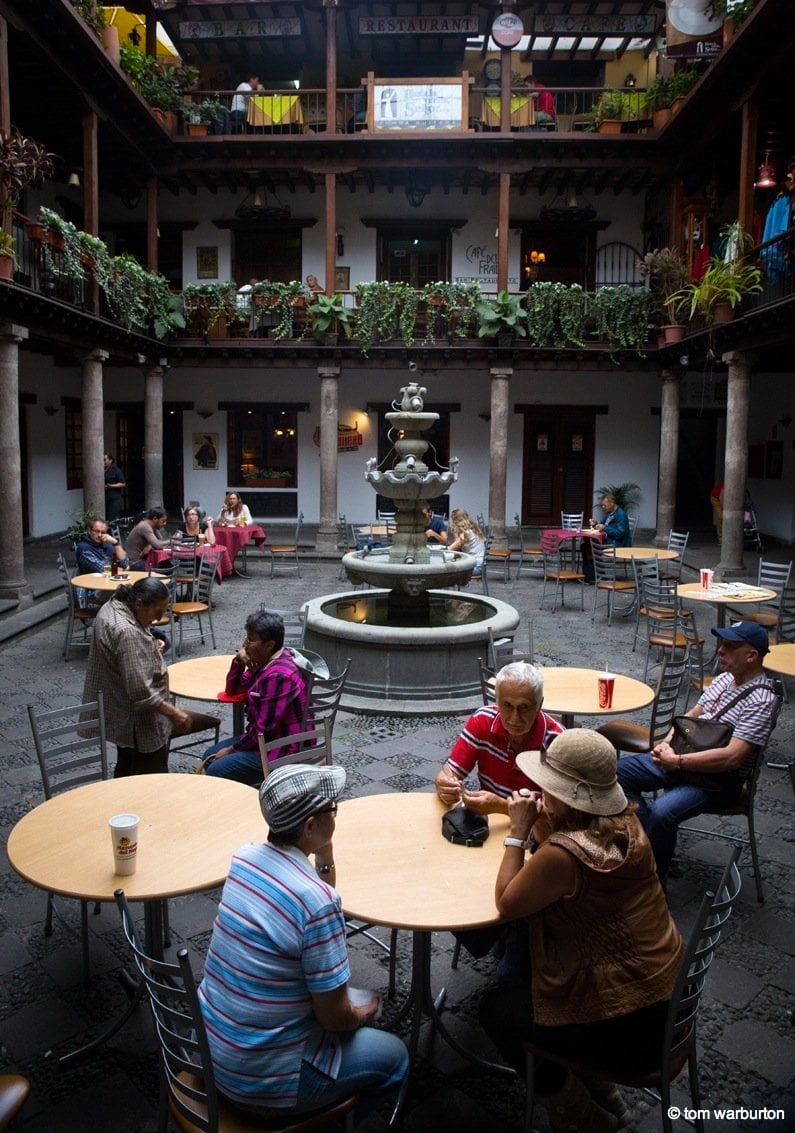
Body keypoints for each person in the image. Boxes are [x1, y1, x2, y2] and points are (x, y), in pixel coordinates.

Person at [478, 730, 683, 1132]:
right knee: (527, 972)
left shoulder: (564, 855)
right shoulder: (629, 823)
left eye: (546, 787)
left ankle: (583, 1117)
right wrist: (541, 822)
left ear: (566, 796)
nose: (538, 790)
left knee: (498, 1011)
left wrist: (518, 831)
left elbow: (508, 902)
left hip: (630, 1026)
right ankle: (604, 1095)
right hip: (666, 996)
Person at [198, 763, 408, 1121]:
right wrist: (366, 1012)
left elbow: (320, 890)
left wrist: (323, 851)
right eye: (333, 809)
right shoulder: (316, 903)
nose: (337, 815)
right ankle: (321, 1122)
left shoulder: (244, 859)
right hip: (265, 1082)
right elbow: (334, 1018)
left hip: (213, 1052)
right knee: (397, 1056)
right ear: (310, 826)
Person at [616, 620, 779, 884]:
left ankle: (652, 884)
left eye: (730, 646)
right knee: (616, 774)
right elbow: (690, 717)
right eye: (721, 643)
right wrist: (667, 744)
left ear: (751, 655)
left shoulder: (761, 700)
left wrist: (677, 761)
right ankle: (648, 850)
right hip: (681, 760)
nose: (721, 650)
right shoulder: (725, 679)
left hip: (717, 781)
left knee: (663, 811)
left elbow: (732, 757)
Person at [81, 578, 198, 777]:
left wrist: (151, 644)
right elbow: (141, 691)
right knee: (149, 775)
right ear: (139, 604)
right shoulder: (127, 632)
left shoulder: (113, 606)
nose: (159, 618)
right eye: (157, 611)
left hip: (119, 709)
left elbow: (127, 650)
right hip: (139, 721)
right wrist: (174, 713)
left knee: (126, 766)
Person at [436, 661, 564, 814]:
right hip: (488, 825)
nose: (515, 718)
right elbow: (448, 772)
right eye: (507, 706)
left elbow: (557, 815)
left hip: (537, 833)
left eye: (524, 708)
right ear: (497, 702)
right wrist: (444, 784)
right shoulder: (481, 721)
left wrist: (502, 807)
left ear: (539, 705)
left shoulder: (557, 744)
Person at [202, 610, 309, 785]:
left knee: (215, 767)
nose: (245, 644)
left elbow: (263, 728)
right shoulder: (264, 662)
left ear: (269, 645)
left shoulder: (279, 675)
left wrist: (231, 750)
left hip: (283, 747)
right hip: (265, 739)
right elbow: (233, 690)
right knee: (209, 756)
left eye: (251, 640)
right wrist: (239, 661)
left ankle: (246, 802)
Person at [583, 492, 630, 581]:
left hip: (617, 543)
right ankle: (591, 575)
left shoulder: (621, 515)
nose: (603, 508)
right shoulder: (610, 513)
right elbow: (602, 525)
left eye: (605, 505)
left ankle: (597, 575)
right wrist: (595, 524)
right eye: (602, 506)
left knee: (591, 546)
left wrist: (605, 528)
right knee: (585, 545)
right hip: (608, 540)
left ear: (612, 503)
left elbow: (619, 534)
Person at [447, 508, 485, 574]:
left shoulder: (465, 534)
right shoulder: (473, 529)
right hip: (481, 565)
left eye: (453, 521)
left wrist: (455, 533)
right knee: (455, 560)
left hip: (475, 567)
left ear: (456, 522)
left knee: (449, 568)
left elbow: (450, 549)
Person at [103, 454, 126, 521]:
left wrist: (111, 486)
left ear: (110, 460)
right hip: (104, 499)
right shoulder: (101, 470)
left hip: (114, 499)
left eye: (105, 460)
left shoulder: (116, 470)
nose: (103, 462)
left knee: (111, 519)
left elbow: (123, 484)